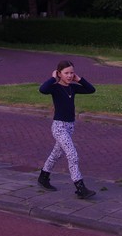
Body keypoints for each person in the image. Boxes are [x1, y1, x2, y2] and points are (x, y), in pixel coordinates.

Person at [37, 59, 97, 199]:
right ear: (59, 73)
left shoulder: (73, 88)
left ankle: (43, 177)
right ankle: (80, 188)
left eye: (72, 73)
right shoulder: (55, 87)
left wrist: (79, 79)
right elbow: (42, 89)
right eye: (66, 73)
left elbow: (91, 89)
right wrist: (53, 78)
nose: (69, 76)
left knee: (56, 154)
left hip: (70, 127)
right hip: (59, 127)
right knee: (72, 155)